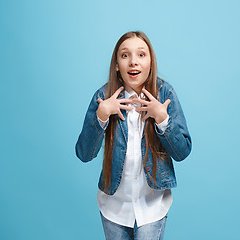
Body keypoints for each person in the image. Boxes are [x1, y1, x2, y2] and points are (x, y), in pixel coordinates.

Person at [75, 31, 192, 240]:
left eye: (141, 55)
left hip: (152, 206)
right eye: (125, 55)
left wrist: (162, 119)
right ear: (117, 65)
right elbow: (84, 153)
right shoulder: (103, 97)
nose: (133, 62)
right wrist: (101, 116)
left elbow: (182, 152)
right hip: (114, 207)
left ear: (150, 62)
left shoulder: (165, 94)